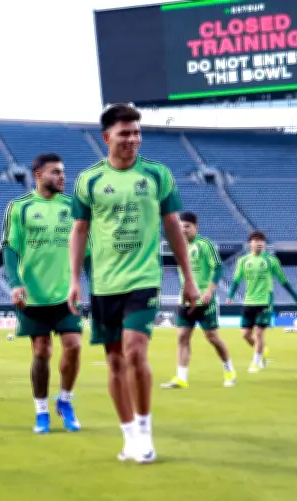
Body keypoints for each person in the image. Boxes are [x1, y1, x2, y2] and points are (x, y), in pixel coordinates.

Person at [68, 104, 199, 464]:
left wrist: (188, 278)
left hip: (143, 279)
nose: (133, 139)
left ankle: (145, 431)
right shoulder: (89, 180)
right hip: (104, 283)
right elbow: (79, 231)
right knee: (114, 362)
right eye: (125, 133)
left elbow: (172, 227)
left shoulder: (157, 175)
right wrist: (74, 280)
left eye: (137, 132)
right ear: (106, 137)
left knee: (135, 351)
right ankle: (128, 437)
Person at [2, 153, 83, 434]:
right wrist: (15, 283)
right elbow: (10, 248)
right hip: (33, 295)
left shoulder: (73, 207)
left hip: (65, 293)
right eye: (55, 172)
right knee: (41, 351)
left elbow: (87, 248)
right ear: (38, 175)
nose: (62, 177)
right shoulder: (19, 207)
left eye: (63, 172)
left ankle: (65, 401)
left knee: (74, 345)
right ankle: (41, 411)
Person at [161, 212, 236, 389]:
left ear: (196, 227)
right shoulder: (178, 246)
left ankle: (229, 370)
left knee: (212, 337)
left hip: (204, 300)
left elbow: (218, 268)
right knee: (182, 337)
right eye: (181, 227)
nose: (183, 230)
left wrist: (209, 291)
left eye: (187, 226)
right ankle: (181, 378)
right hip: (185, 300)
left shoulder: (205, 244)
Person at [226, 231, 297, 373]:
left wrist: (296, 298)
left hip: (265, 302)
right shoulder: (243, 261)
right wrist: (230, 296)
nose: (259, 243)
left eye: (262, 241)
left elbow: (283, 280)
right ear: (250, 243)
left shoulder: (271, 260)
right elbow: (236, 280)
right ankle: (262, 350)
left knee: (259, 333)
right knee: (245, 335)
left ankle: (256, 363)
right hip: (249, 301)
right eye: (256, 240)